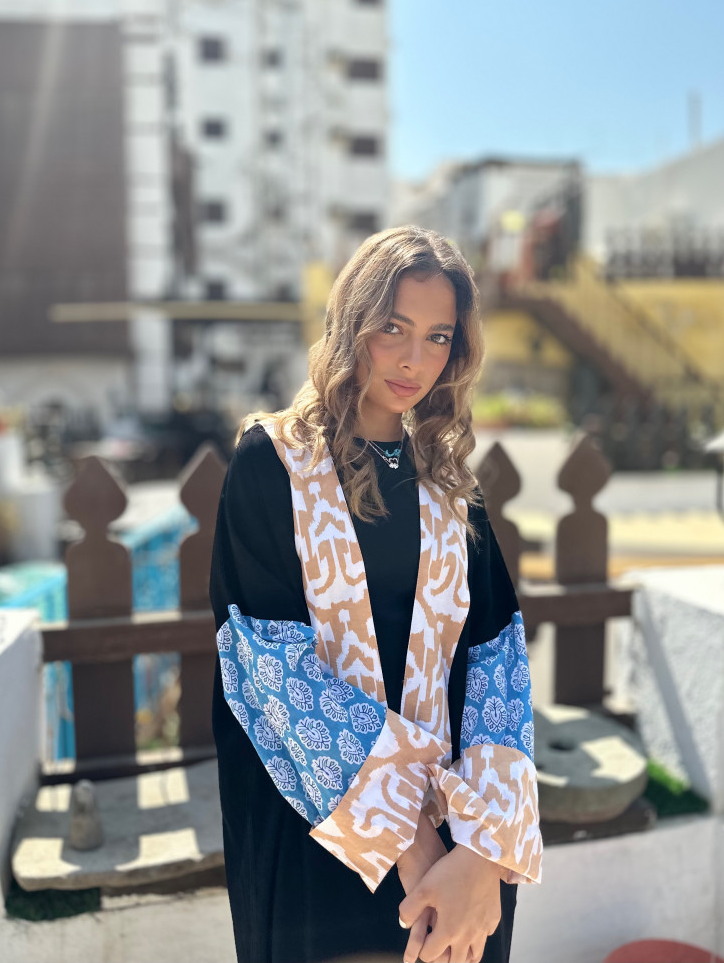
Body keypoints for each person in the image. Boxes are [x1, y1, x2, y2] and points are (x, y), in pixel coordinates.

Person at [209, 225, 543, 963]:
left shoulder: (450, 484)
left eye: (437, 337)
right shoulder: (275, 463)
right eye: (393, 327)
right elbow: (270, 671)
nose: (413, 359)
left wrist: (481, 852)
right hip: (321, 838)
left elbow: (498, 667)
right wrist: (412, 844)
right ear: (352, 321)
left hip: (460, 844)